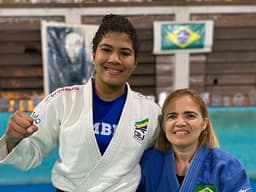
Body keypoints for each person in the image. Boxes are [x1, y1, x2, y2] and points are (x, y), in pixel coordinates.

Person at [0, 14, 161, 192]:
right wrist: (13, 140)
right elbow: (31, 153)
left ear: (135, 62)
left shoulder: (150, 112)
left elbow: (163, 158)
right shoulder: (62, 101)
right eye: (106, 49)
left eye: (125, 53)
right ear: (93, 54)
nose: (114, 59)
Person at [137, 88, 252, 192]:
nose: (180, 123)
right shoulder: (149, 162)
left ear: (204, 123)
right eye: (172, 116)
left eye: (190, 116)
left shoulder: (226, 166)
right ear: (163, 125)